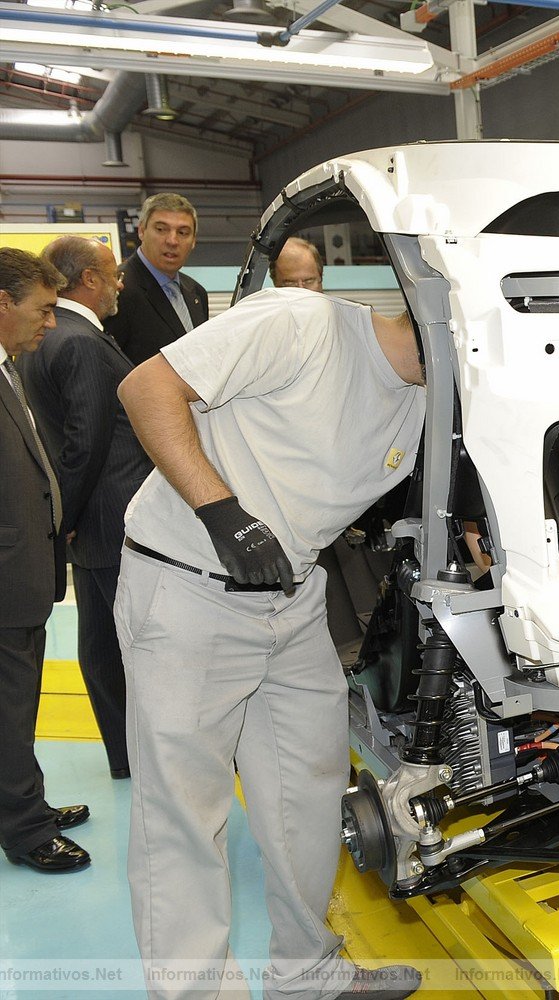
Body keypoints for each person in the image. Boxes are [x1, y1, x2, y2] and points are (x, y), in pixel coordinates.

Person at [115, 288, 428, 1000]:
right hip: (189, 587)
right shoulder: (303, 324)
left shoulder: (419, 402)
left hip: (292, 596)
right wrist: (222, 511)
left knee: (308, 789)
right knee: (184, 813)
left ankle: (304, 973)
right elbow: (146, 387)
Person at [22, 236, 149, 781]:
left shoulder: (55, 339)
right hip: (109, 520)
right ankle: (141, 758)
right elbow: (87, 442)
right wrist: (65, 522)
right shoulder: (78, 343)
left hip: (89, 521)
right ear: (90, 280)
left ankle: (127, 758)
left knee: (100, 646)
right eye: (113, 273)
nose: (121, 283)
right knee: (130, 648)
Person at [0, 247, 92, 874]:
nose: (50, 322)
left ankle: (21, 802)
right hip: (7, 580)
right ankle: (25, 829)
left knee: (17, 702)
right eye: (43, 309)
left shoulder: (10, 368)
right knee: (8, 706)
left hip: (24, 573)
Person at [105, 193, 209, 366]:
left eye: (183, 232)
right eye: (161, 229)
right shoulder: (117, 289)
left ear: (193, 241)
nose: (172, 241)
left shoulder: (197, 293)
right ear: (141, 231)